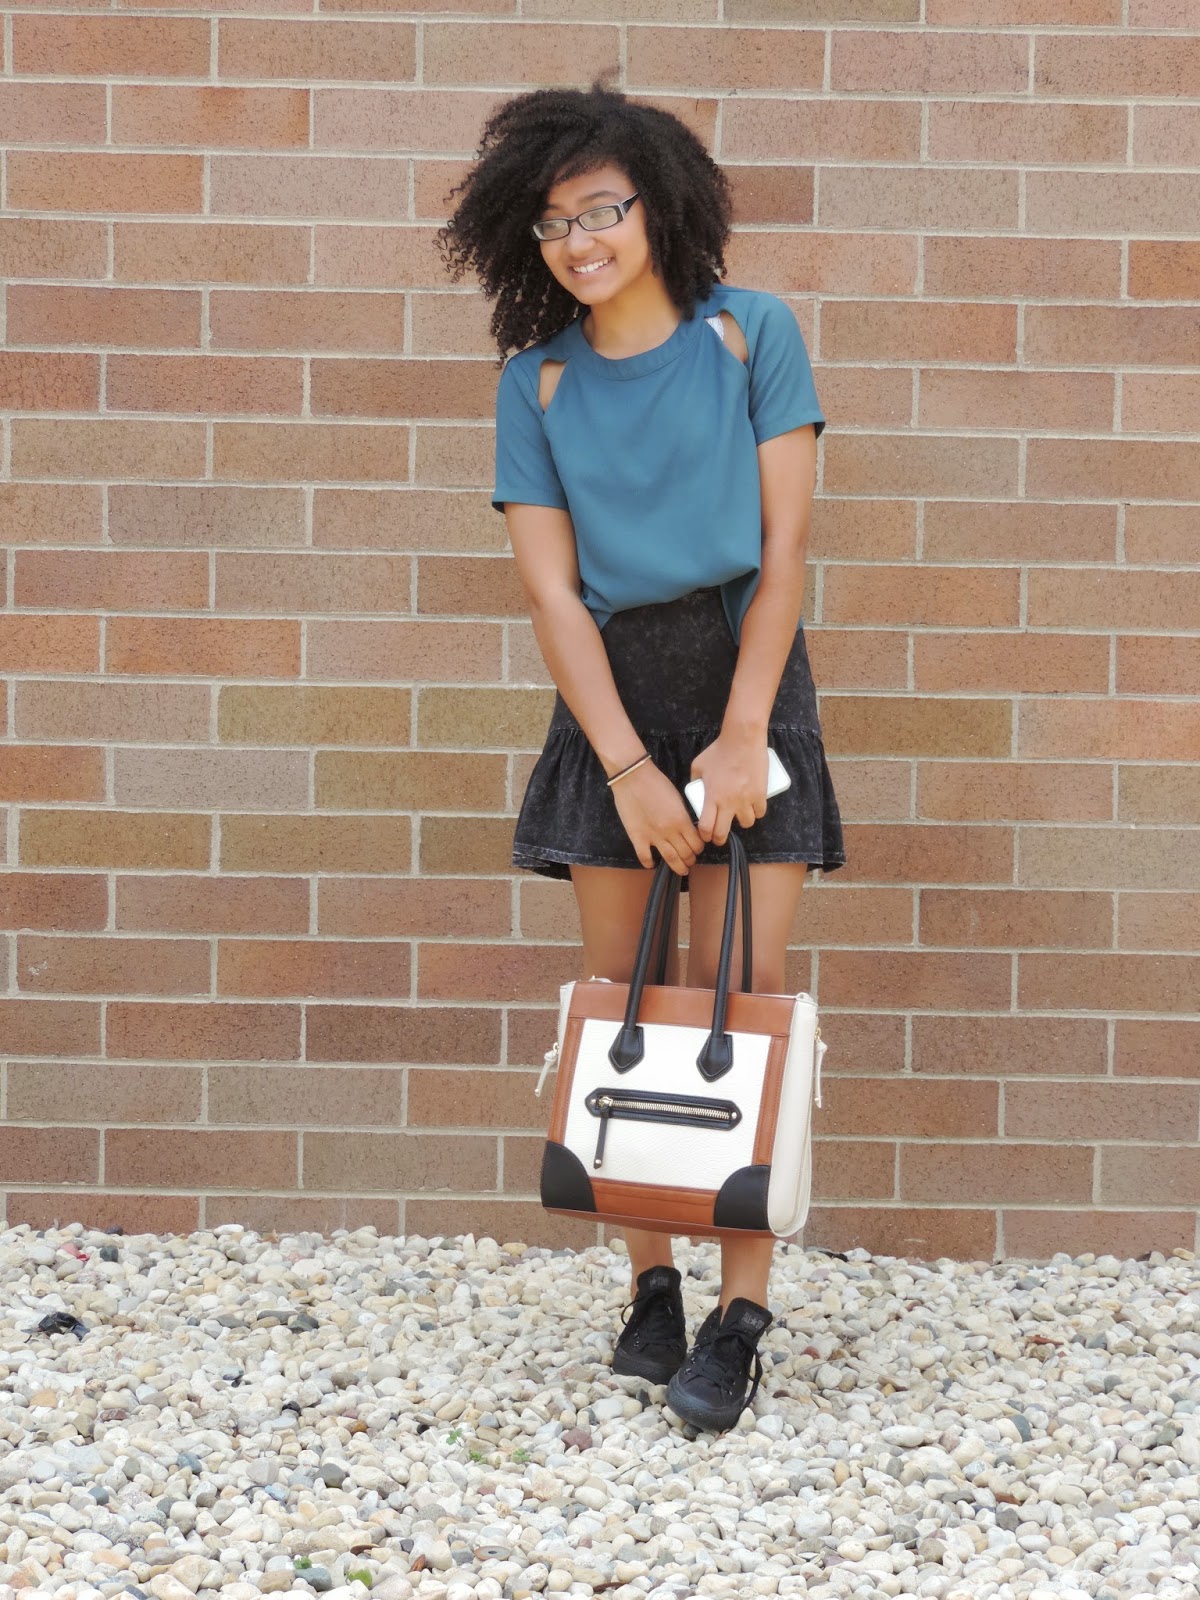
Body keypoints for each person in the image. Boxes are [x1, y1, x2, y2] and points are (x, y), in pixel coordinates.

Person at [439, 82, 845, 1433]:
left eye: (601, 209)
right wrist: (624, 767)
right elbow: (553, 596)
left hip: (746, 693)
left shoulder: (750, 334)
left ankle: (741, 1316)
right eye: (553, 222)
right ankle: (651, 1287)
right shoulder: (538, 381)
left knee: (744, 999)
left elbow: (784, 552)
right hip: (611, 709)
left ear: (658, 207)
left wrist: (742, 734)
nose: (580, 240)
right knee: (626, 999)